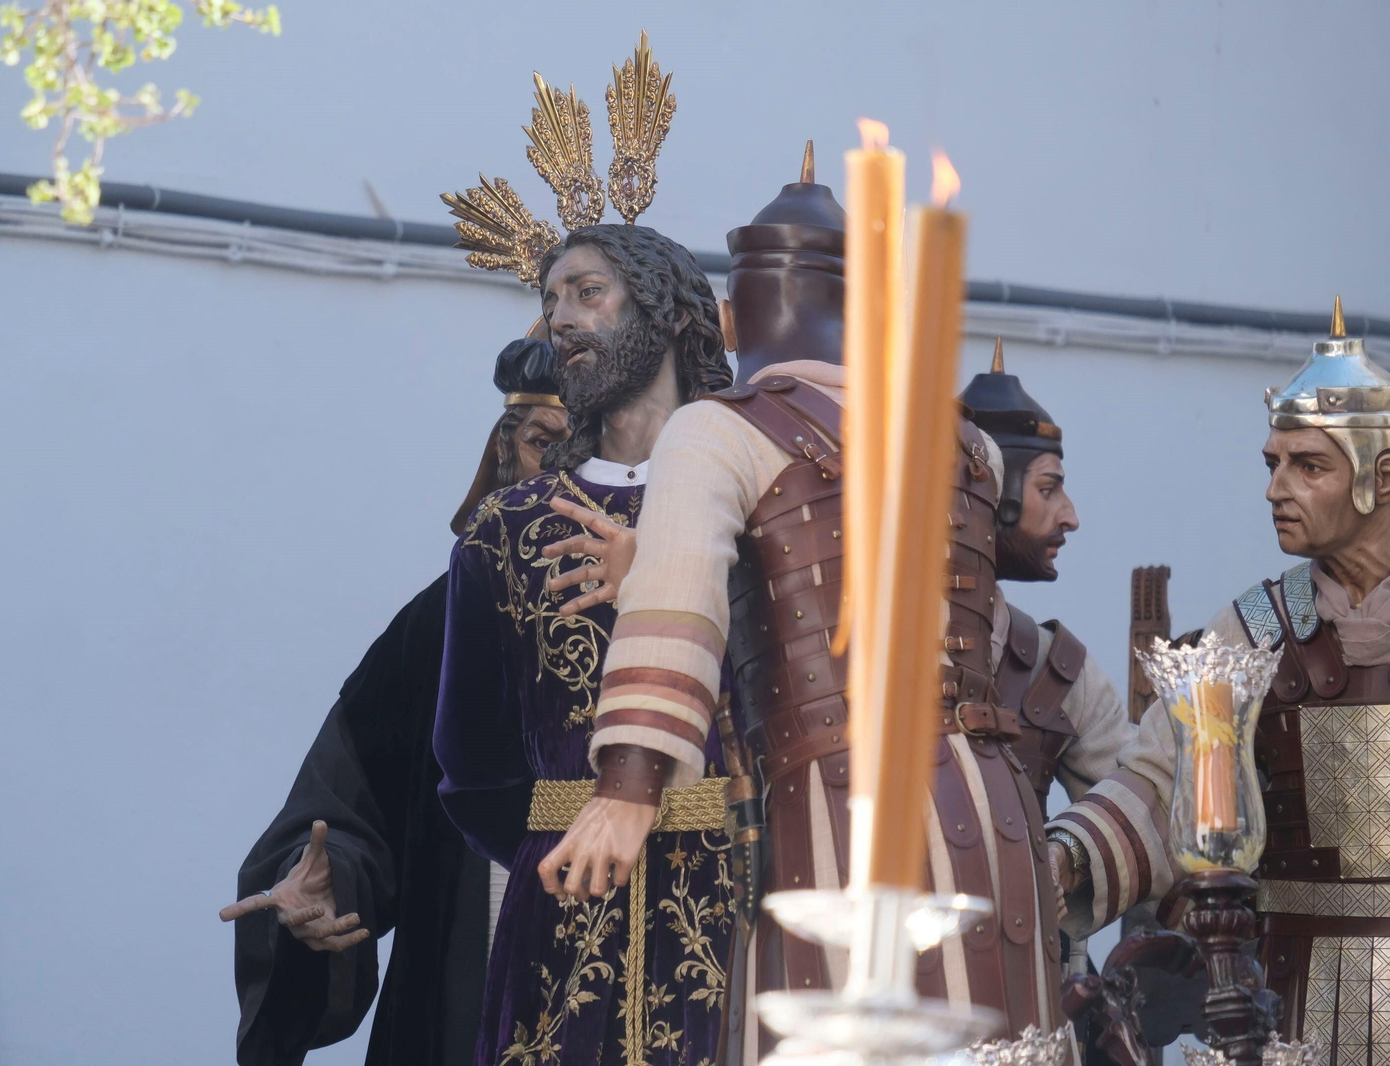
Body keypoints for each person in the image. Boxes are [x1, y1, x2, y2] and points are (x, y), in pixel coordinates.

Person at [542, 152, 1079, 1063]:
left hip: (834, 802)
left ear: (731, 317)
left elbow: (681, 599)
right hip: (994, 811)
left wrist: (627, 787)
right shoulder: (971, 446)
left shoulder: (714, 427)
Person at [1049, 301, 1390, 1056]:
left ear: (1382, 476)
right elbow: (1160, 781)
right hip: (1292, 1007)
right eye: (1273, 464)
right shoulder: (1252, 630)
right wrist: (1064, 856)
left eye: (1309, 466)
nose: (1275, 489)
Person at [219, 337, 568, 1066]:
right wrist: (325, 886)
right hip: (470, 995)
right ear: (504, 451)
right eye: (544, 442)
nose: (564, 471)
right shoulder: (442, 627)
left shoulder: (681, 613)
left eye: (590, 446)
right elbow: (344, 814)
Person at [435, 219, 735, 1066]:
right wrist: (556, 836)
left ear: (672, 316)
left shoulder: (755, 508)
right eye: (552, 298)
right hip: (562, 912)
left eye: (588, 293)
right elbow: (472, 761)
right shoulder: (506, 530)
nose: (561, 317)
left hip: (732, 892)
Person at [958, 343, 1135, 982]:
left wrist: (1066, 857)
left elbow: (1143, 796)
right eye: (1048, 488)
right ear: (991, 493)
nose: (1071, 515)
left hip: (1029, 983)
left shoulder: (1057, 670)